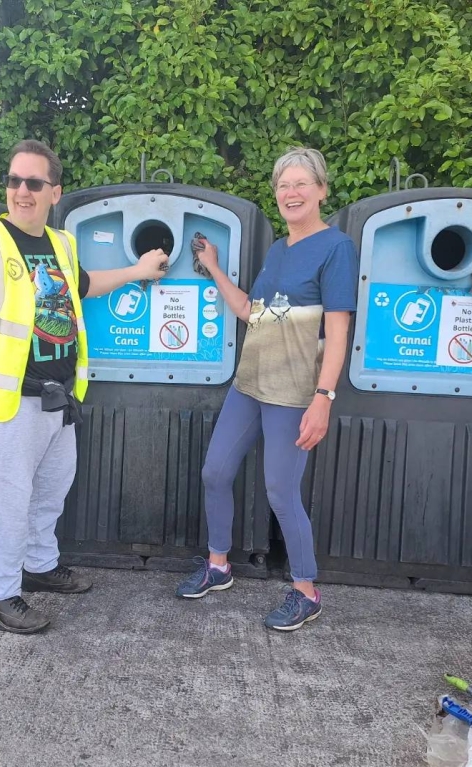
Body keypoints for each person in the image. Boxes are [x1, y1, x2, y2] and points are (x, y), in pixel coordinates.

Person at [0, 139, 168, 634]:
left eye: (34, 183)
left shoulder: (60, 244)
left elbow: (83, 285)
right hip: (8, 402)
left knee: (51, 489)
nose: (21, 191)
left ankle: (38, 566)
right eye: (14, 180)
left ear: (54, 192)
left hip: (58, 397)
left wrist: (138, 271)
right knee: (7, 502)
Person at [175, 147, 357, 632]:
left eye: (301, 184)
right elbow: (250, 311)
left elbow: (339, 333)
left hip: (293, 394)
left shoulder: (336, 248)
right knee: (215, 472)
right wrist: (213, 267)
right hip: (249, 385)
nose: (291, 193)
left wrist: (324, 398)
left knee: (281, 492)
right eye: (283, 185)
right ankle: (218, 566)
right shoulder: (279, 249)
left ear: (321, 190)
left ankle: (306, 591)